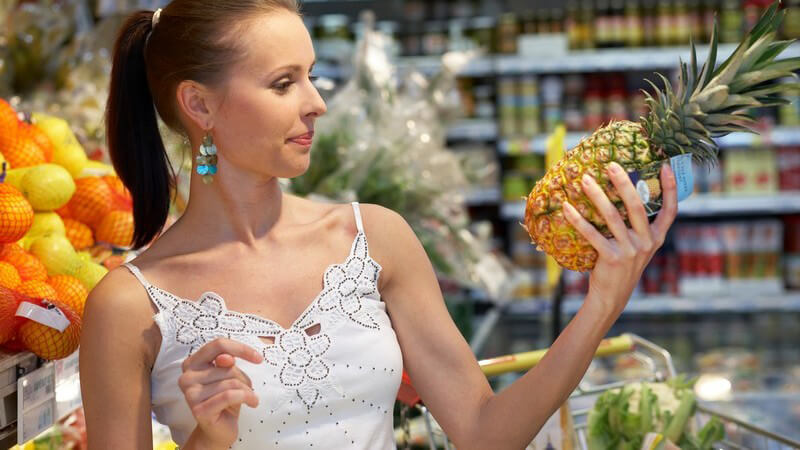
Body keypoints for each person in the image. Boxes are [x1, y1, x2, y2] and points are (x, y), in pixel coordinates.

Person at [78, 1, 678, 449]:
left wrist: (602, 302)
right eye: (284, 83)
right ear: (199, 105)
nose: (316, 102)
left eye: (311, 75)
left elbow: (485, 433)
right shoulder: (126, 307)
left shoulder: (375, 239)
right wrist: (208, 439)